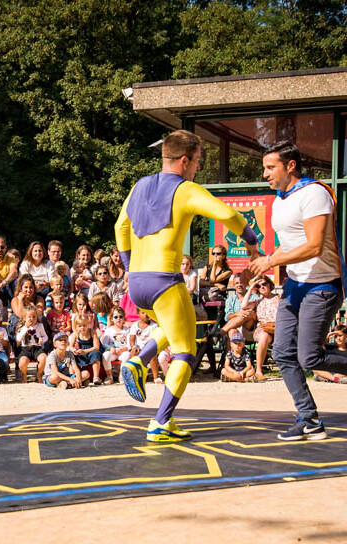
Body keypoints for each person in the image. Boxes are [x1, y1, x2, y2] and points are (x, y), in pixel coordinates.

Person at [115, 129, 259, 442]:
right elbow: (228, 214)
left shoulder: (139, 186)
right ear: (184, 160)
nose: (197, 168)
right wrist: (251, 241)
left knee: (178, 326)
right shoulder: (186, 189)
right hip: (164, 280)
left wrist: (127, 268)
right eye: (197, 162)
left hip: (137, 282)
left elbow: (120, 227)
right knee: (186, 350)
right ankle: (161, 422)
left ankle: (139, 361)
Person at [248, 140, 347, 441]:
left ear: (290, 166)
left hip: (323, 284)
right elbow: (289, 244)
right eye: (264, 168)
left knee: (309, 357)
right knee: (283, 353)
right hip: (295, 285)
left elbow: (313, 246)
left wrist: (271, 261)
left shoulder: (314, 193)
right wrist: (265, 258)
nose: (265, 174)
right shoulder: (280, 199)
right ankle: (309, 419)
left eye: (270, 167)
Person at [247, 276, 279, 381]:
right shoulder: (257, 301)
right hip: (263, 328)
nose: (262, 287)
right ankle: (259, 371)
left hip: (278, 327)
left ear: (270, 284)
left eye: (264, 284)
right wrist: (251, 288)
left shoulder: (279, 298)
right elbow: (244, 306)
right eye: (258, 286)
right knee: (264, 336)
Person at [15, 304, 48, 383]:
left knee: (44, 358)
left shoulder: (40, 325)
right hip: (25, 348)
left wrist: (42, 340)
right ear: (24, 318)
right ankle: (24, 374)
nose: (32, 319)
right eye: (29, 317)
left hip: (37, 348)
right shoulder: (21, 326)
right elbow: (18, 339)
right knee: (22, 362)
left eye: (34, 317)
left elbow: (45, 336)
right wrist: (26, 327)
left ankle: (39, 374)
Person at [69, 313, 104, 385]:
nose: (82, 328)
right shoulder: (76, 334)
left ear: (88, 325)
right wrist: (74, 350)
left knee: (96, 353)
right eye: (79, 326)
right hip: (81, 352)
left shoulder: (92, 332)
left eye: (84, 325)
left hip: (91, 350)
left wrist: (85, 351)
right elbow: (70, 346)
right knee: (71, 355)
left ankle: (96, 377)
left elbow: (96, 347)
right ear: (76, 327)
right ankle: (73, 375)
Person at [129, 309, 162, 384]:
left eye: (147, 313)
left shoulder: (154, 326)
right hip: (139, 348)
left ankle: (156, 377)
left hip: (150, 347)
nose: (146, 315)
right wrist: (134, 347)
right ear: (138, 314)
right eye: (143, 313)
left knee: (153, 355)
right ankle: (133, 376)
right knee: (133, 353)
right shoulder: (135, 326)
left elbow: (156, 339)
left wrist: (150, 348)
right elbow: (132, 340)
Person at [101, 306, 131, 383]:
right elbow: (104, 344)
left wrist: (123, 349)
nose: (118, 319)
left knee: (127, 355)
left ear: (124, 318)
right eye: (116, 317)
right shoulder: (109, 330)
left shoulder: (127, 330)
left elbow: (129, 345)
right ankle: (109, 376)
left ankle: (122, 376)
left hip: (122, 351)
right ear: (112, 319)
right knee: (105, 355)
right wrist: (110, 348)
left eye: (121, 316)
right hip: (113, 352)